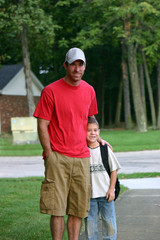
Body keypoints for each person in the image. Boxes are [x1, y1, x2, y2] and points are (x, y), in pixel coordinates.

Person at [33, 47, 109, 240]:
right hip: (57, 156)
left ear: (84, 66)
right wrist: (48, 153)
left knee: (77, 209)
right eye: (73, 64)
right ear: (65, 65)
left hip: (82, 158)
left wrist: (97, 137)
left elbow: (90, 118)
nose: (77, 69)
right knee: (57, 209)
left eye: (80, 64)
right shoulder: (50, 91)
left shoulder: (89, 91)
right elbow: (42, 124)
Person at [85, 117, 121, 240]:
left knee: (109, 224)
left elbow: (113, 170)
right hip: (89, 196)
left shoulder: (105, 149)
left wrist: (112, 189)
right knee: (90, 226)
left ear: (99, 132)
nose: (92, 133)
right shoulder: (82, 150)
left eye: (95, 130)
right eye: (88, 130)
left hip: (106, 195)